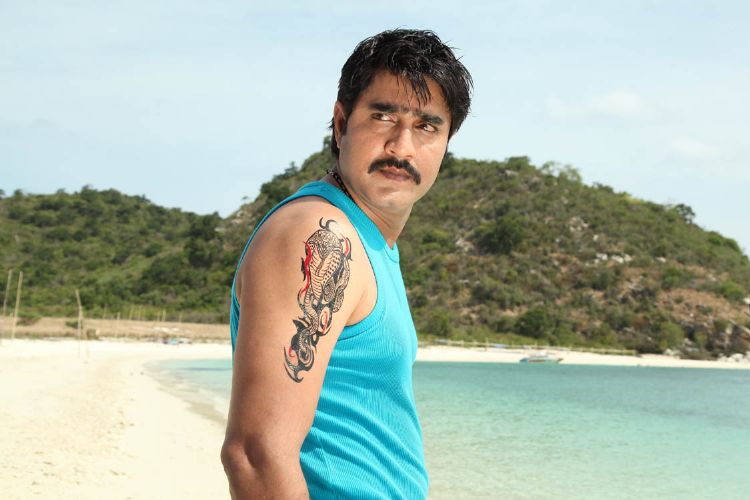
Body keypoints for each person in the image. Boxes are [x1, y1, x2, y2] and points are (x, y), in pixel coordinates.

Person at [221, 28, 473, 499]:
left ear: (446, 142)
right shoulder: (319, 234)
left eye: (427, 126)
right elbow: (255, 455)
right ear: (341, 124)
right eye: (383, 116)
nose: (401, 147)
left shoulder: (369, 241)